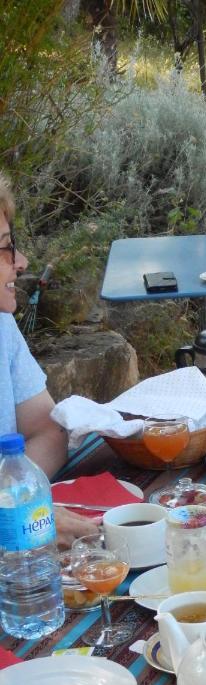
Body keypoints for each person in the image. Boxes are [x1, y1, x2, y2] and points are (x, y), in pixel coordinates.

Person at [0, 172, 99, 548]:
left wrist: (18, 501)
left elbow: (48, 430)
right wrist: (17, 516)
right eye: (6, 248)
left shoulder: (2, 326)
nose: (21, 262)